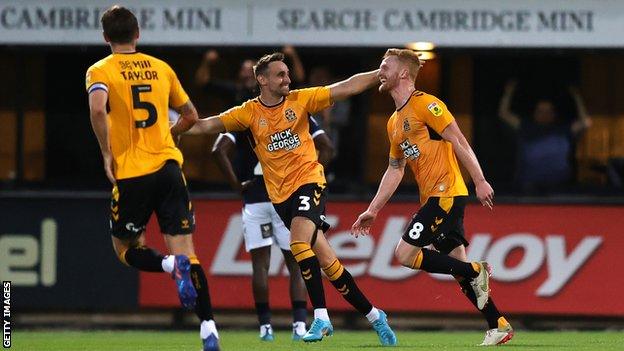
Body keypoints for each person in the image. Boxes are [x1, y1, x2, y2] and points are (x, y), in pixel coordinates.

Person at [185, 52, 397, 346]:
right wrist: (168, 130)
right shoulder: (247, 113)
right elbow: (205, 126)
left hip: (309, 183)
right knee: (330, 265)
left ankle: (320, 317)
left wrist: (380, 73)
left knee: (298, 245)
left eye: (287, 73)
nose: (287, 78)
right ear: (262, 80)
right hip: (280, 197)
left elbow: (345, 87)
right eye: (280, 74)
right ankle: (376, 316)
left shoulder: (301, 100)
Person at [351, 49, 513, 346]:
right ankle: (498, 324)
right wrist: (373, 209)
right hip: (432, 199)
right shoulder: (393, 122)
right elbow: (395, 169)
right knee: (461, 274)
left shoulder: (427, 104)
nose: (380, 71)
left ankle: (476, 269)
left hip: (447, 193)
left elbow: (459, 140)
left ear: (403, 73)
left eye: (385, 66)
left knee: (405, 254)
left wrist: (479, 180)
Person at [85, 6, 219, 351]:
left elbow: (98, 108)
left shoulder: (100, 69)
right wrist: (171, 134)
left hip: (133, 172)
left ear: (105, 38)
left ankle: (166, 264)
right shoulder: (161, 68)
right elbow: (191, 116)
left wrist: (105, 153)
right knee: (189, 253)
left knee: (126, 248)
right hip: (170, 169)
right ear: (138, 34)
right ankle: (208, 329)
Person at [207, 115, 333, 341]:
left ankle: (265, 327)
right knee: (296, 263)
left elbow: (218, 150)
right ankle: (299, 325)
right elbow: (327, 146)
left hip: (255, 200)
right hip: (285, 197)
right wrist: (311, 179)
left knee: (260, 266)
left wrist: (236, 186)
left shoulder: (247, 115)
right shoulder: (294, 111)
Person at [498, 80, 592, 192]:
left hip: (560, 187)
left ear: (554, 114)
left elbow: (586, 122)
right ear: (534, 113)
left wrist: (577, 97)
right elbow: (503, 113)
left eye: (548, 111)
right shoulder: (526, 127)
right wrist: (509, 92)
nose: (544, 114)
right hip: (528, 187)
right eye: (540, 111)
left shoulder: (563, 129)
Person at [194, 45, 306, 106]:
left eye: (250, 70)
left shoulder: (270, 89)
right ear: (239, 73)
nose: (247, 73)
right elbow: (202, 83)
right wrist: (206, 62)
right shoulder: (234, 90)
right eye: (244, 70)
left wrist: (293, 56)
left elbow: (299, 79)